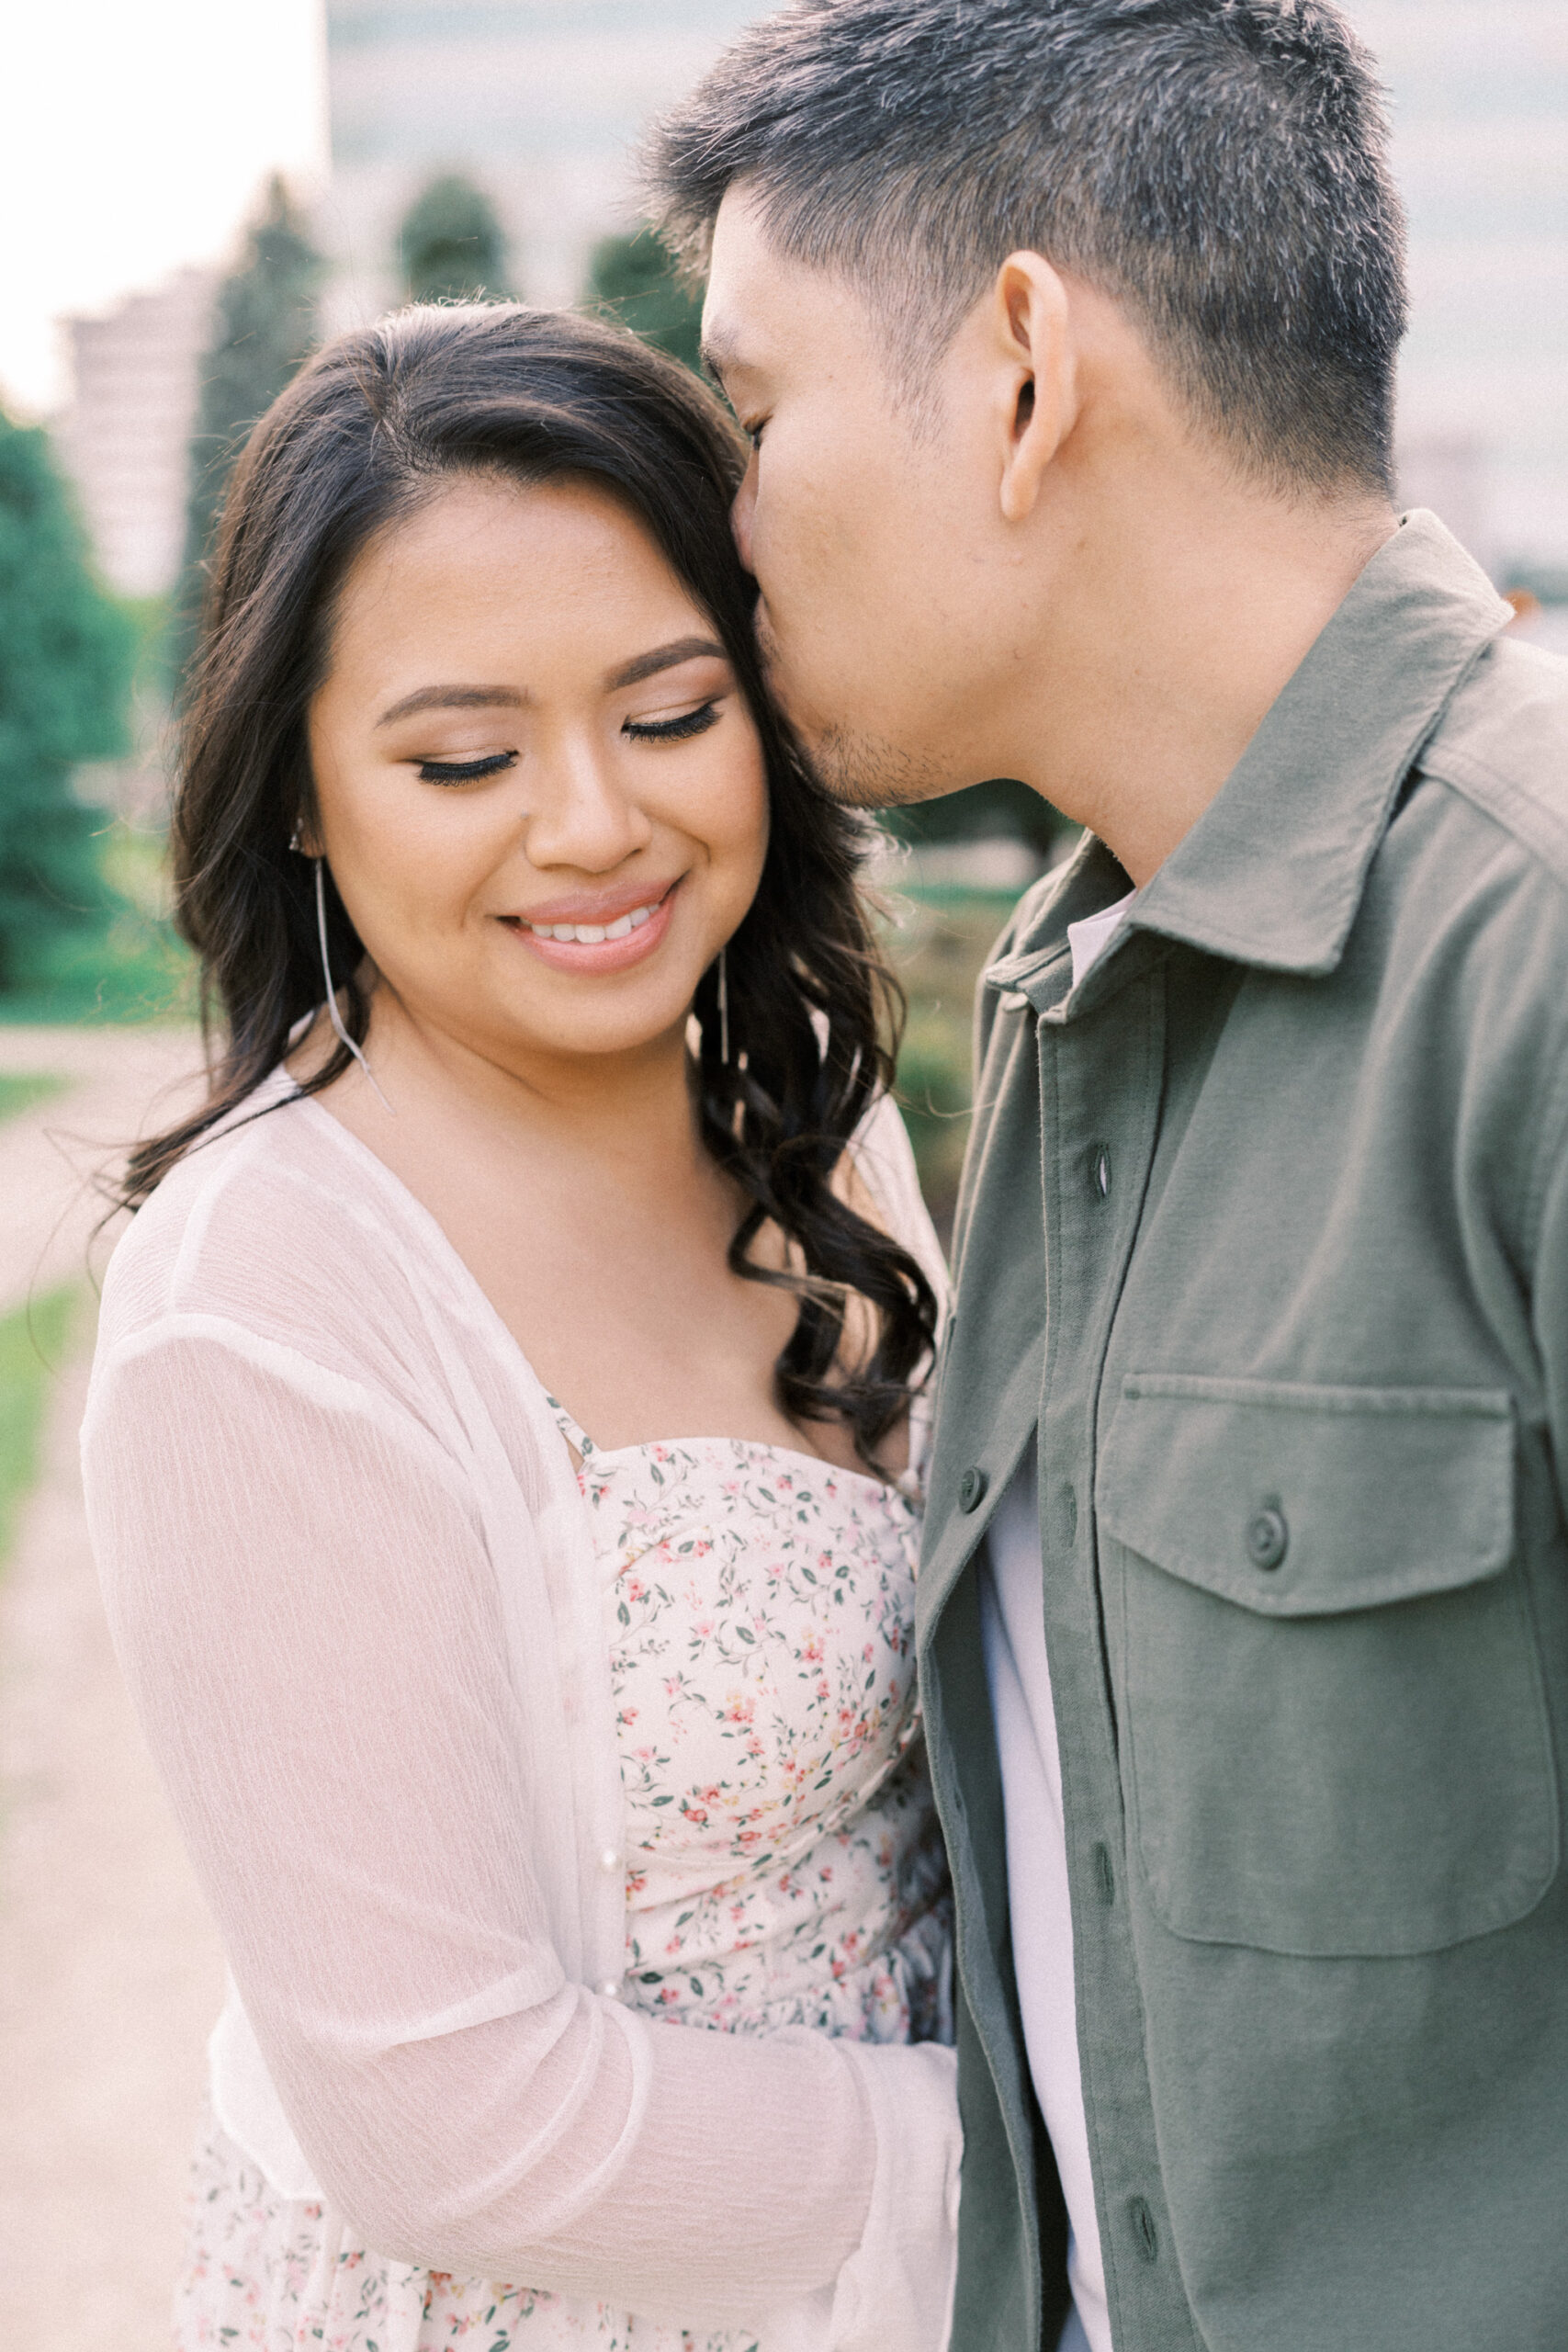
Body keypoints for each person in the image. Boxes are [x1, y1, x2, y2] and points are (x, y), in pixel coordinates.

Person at [649, 3, 1568, 2348]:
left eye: (754, 414)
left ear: (1021, 372)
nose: (719, 531)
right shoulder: (1076, 991)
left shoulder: (1528, 951)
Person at [82, 304, 963, 2352]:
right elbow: (453, 2124)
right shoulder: (263, 1297)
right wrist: (1053, 2162)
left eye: (669, 711)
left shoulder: (805, 1116)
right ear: (296, 791)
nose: (591, 823)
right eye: (463, 755)